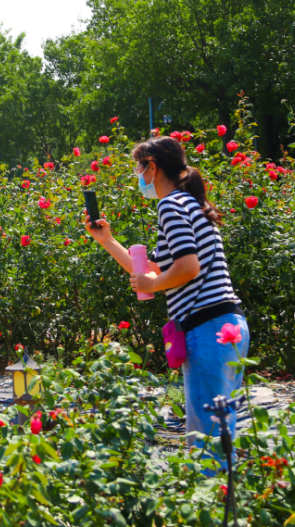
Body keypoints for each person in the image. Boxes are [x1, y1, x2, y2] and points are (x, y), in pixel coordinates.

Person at [85, 136, 250, 451]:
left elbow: (188, 268)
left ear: (153, 167)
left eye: (138, 167)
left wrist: (151, 287)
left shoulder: (171, 205)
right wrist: (106, 240)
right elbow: (152, 269)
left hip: (207, 330)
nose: (137, 174)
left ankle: (213, 498)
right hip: (227, 327)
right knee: (219, 435)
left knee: (206, 444)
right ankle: (223, 497)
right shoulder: (191, 204)